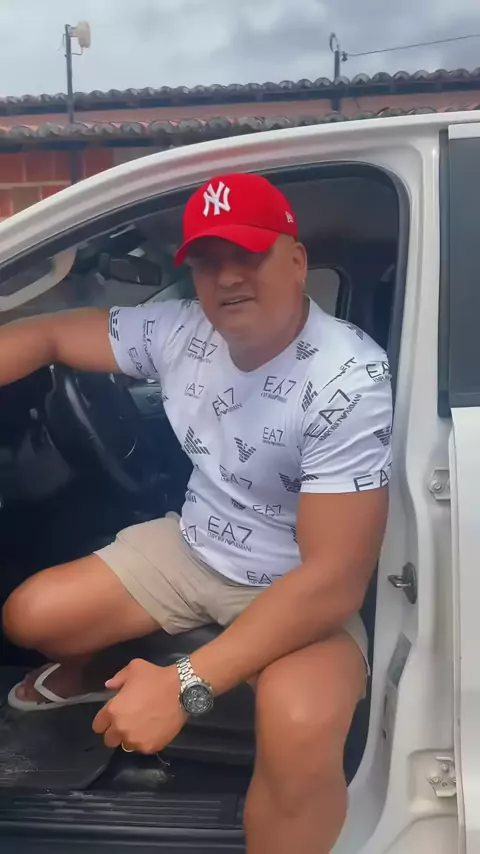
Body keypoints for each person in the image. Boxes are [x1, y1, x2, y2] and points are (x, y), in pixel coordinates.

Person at [1, 172, 392, 854]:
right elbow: (52, 335)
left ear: (296, 260)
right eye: (208, 261)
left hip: (295, 588)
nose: (228, 277)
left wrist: (184, 686)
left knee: (299, 723)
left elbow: (333, 580)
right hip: (193, 549)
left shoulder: (346, 380)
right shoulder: (183, 329)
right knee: (32, 615)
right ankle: (99, 677)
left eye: (249, 254)